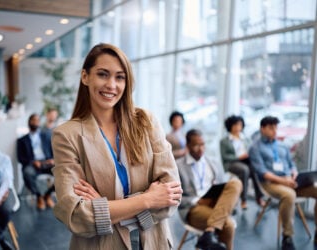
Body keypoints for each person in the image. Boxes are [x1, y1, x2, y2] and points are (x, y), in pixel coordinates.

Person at [51, 43, 182, 249]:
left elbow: (171, 196)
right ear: (85, 77)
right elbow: (77, 216)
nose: (111, 85)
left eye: (120, 77)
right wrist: (148, 199)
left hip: (153, 242)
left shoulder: (146, 122)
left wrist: (104, 207)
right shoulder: (66, 135)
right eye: (103, 74)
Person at [249, 116, 317, 250]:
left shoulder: (281, 145)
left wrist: (294, 174)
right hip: (270, 183)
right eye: (271, 128)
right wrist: (284, 182)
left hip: (290, 181)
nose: (274, 131)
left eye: (276, 128)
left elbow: (292, 165)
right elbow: (263, 173)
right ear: (262, 128)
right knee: (289, 195)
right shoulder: (255, 147)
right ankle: (287, 236)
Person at [177, 129, 242, 250]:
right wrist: (196, 200)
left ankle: (209, 231)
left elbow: (222, 185)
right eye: (196, 145)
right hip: (193, 207)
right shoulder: (178, 166)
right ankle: (210, 235)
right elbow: (175, 197)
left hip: (214, 202)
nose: (201, 148)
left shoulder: (212, 163)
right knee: (227, 225)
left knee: (236, 182)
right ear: (188, 146)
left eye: (202, 144)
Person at [220, 115, 265, 209]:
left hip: (246, 161)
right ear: (230, 126)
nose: (238, 128)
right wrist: (238, 157)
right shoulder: (224, 141)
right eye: (235, 125)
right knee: (245, 170)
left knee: (254, 168)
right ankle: (244, 199)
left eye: (240, 125)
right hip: (232, 163)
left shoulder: (245, 139)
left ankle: (258, 196)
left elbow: (251, 151)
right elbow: (225, 156)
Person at [17, 113, 55, 210]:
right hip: (32, 164)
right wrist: (33, 162)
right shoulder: (22, 140)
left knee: (63, 172)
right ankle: (39, 197)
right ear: (29, 122)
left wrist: (53, 159)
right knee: (27, 173)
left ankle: (47, 195)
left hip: (46, 162)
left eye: (37, 120)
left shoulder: (46, 136)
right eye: (33, 120)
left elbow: (53, 150)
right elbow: (20, 158)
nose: (35, 122)